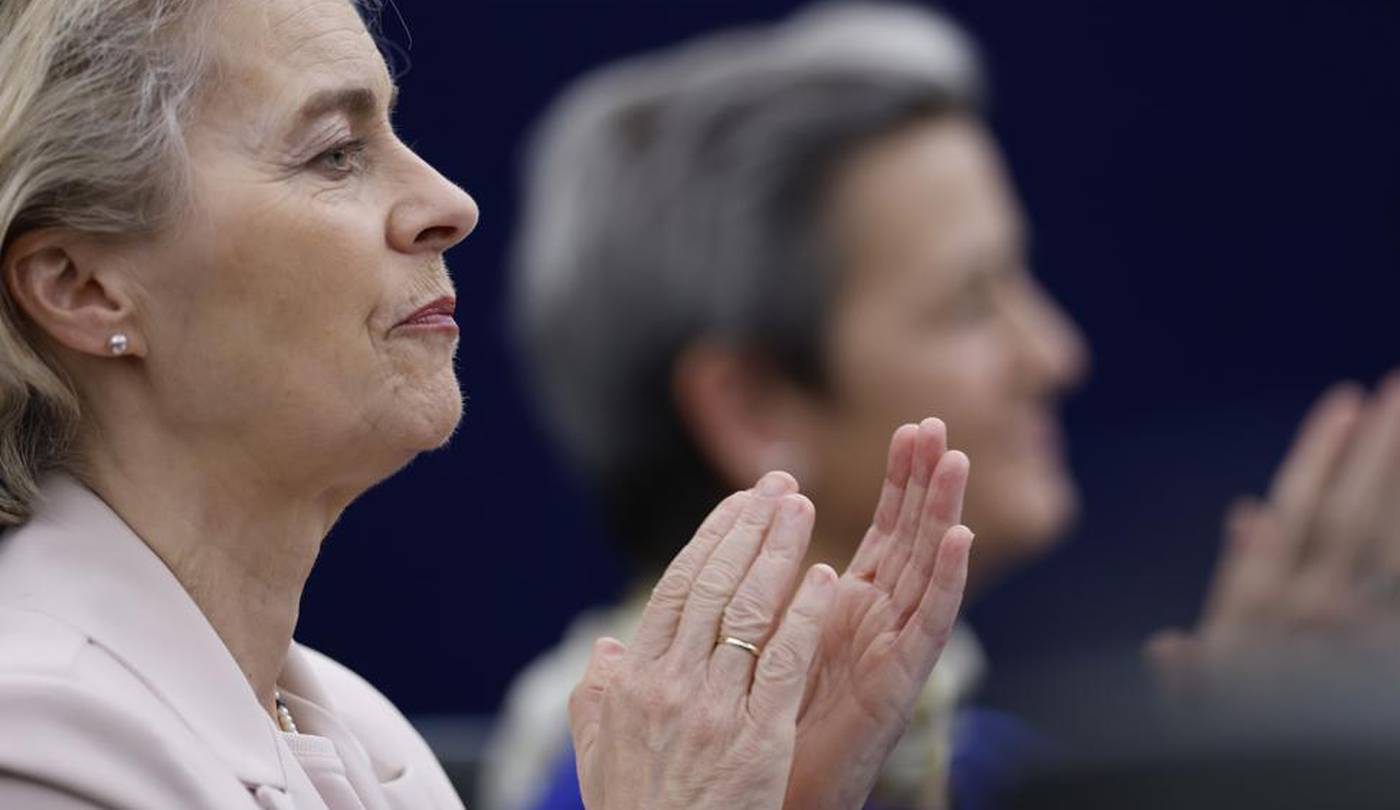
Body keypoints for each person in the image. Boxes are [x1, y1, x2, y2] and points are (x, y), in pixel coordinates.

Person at [0, 1, 980, 808]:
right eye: (335, 152)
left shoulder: (358, 731)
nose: (448, 200)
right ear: (82, 288)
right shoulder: (34, 736)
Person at [496, 3, 1400, 809]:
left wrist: (1251, 757)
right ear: (754, 405)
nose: (1057, 355)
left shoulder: (988, 761)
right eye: (969, 302)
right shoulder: (598, 786)